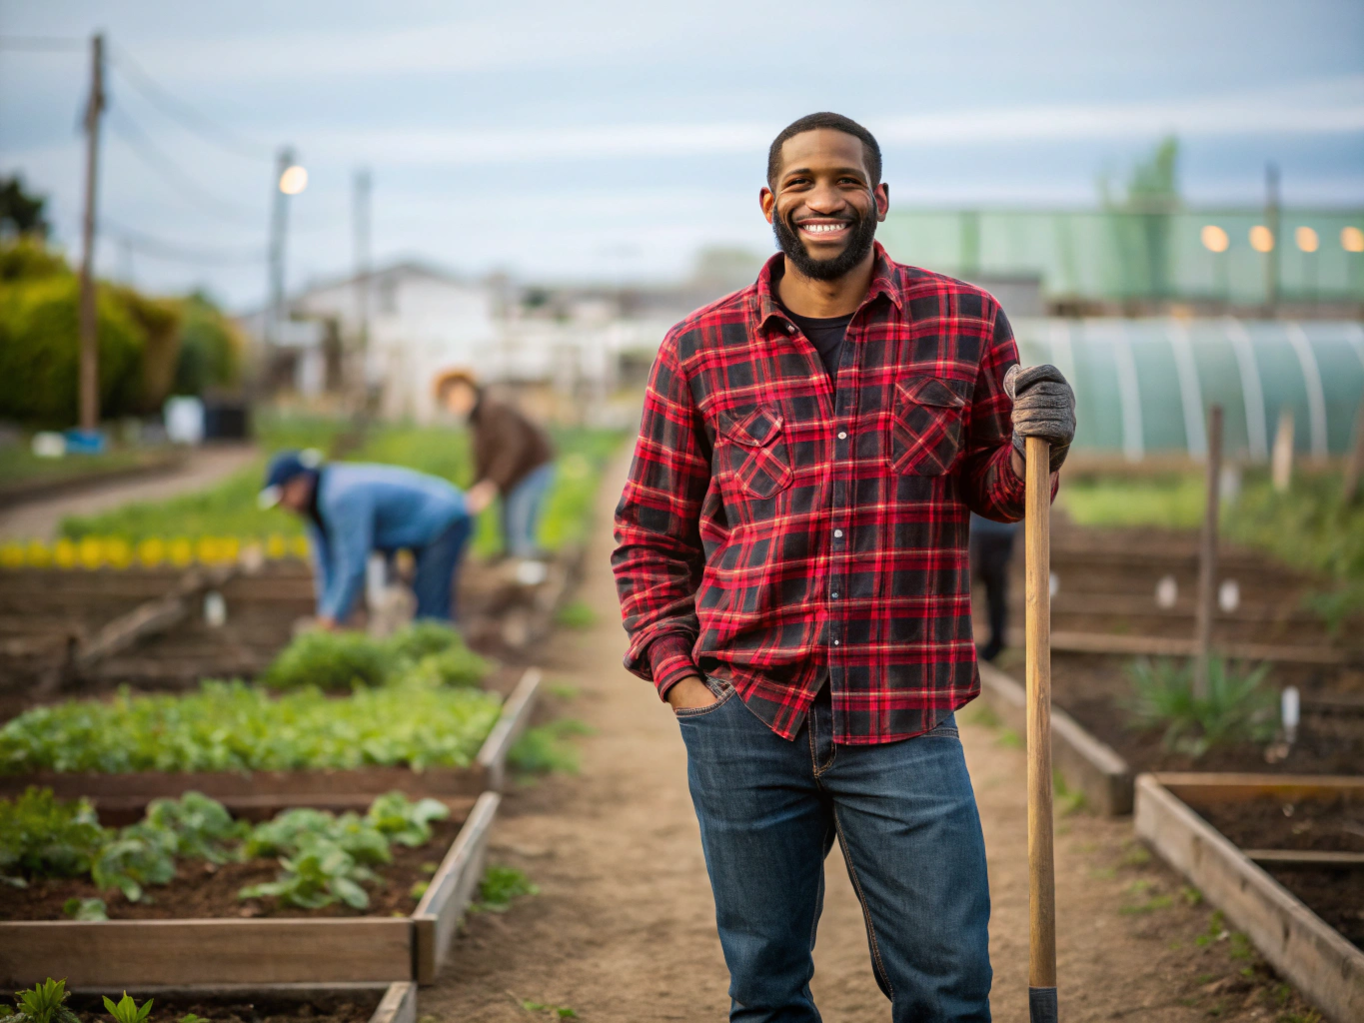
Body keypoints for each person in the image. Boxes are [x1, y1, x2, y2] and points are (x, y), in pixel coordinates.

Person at [612, 112, 1076, 1022]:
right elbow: (649, 531)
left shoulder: (967, 321)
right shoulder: (697, 349)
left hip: (903, 711)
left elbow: (995, 487)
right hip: (746, 708)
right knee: (767, 987)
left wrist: (1042, 448)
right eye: (802, 184)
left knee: (947, 985)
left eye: (847, 182)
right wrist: (679, 678)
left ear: (881, 199)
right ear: (769, 203)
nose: (825, 199)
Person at [259, 449, 472, 627]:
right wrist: (327, 612)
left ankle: (440, 664)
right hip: (423, 527)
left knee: (430, 604)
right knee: (423, 603)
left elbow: (352, 562)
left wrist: (333, 616)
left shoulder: (339, 497)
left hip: (443, 519)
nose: (284, 507)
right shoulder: (317, 505)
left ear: (299, 484)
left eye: (283, 498)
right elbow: (326, 563)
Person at [434, 369, 555, 560]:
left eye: (454, 398)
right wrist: (475, 488)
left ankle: (533, 576)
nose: (453, 405)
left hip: (530, 472)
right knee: (507, 533)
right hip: (513, 477)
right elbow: (485, 460)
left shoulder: (494, 409)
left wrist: (491, 484)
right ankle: (521, 575)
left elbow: (513, 448)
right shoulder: (478, 419)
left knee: (519, 532)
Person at [970, 512, 1020, 663]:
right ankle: (995, 642)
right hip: (993, 531)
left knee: (995, 591)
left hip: (990, 532)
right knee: (994, 591)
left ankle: (996, 642)